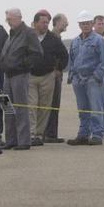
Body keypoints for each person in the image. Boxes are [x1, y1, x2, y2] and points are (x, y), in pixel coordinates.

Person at [0, 8, 41, 150]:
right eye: (7, 19)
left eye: (10, 19)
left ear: (18, 18)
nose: (8, 22)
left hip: (19, 75)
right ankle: (11, 139)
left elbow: (37, 53)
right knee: (7, 107)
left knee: (21, 107)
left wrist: (23, 65)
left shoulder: (29, 33)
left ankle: (24, 141)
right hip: (7, 76)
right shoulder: (11, 34)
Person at [66, 11, 104, 145]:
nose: (85, 26)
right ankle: (83, 134)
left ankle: (97, 134)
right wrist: (72, 76)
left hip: (92, 79)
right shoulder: (75, 42)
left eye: (87, 23)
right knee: (82, 108)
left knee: (95, 107)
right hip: (78, 79)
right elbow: (72, 60)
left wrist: (97, 76)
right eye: (83, 24)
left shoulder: (99, 40)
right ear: (79, 25)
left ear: (92, 24)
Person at [28, 10, 68, 146]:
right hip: (30, 77)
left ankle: (39, 135)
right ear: (35, 23)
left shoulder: (53, 39)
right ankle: (31, 134)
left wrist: (58, 69)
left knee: (45, 107)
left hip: (47, 77)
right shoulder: (29, 36)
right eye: (43, 22)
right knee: (31, 106)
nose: (46, 25)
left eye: (47, 22)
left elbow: (64, 55)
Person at [43, 12, 70, 142]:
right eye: (65, 21)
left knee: (53, 104)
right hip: (52, 76)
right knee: (52, 103)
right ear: (57, 22)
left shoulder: (56, 37)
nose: (67, 24)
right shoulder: (53, 37)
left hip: (55, 75)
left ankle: (51, 133)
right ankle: (50, 134)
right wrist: (57, 69)